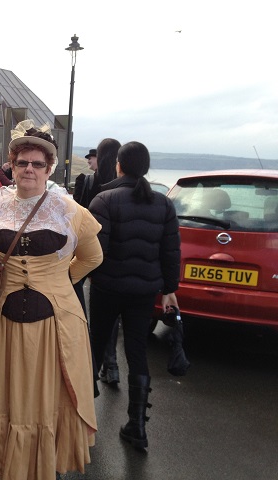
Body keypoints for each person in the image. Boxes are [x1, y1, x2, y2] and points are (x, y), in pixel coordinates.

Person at [0, 120, 104, 480]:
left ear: (49, 168)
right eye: (22, 162)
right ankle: (8, 466)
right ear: (12, 164)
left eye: (37, 164)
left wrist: (58, 281)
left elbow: (92, 257)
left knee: (46, 399)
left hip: (53, 325)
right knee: (6, 395)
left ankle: (42, 467)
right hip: (3, 323)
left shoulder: (70, 211)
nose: (29, 169)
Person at [88, 141, 180, 451]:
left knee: (95, 346)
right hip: (144, 292)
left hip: (107, 288)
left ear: (118, 165)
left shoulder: (104, 200)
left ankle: (82, 420)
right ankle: (137, 426)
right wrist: (169, 290)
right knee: (137, 351)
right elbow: (170, 251)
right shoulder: (163, 205)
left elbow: (94, 253)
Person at [74, 138, 123, 386]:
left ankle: (88, 369)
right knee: (110, 316)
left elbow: (76, 217)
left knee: (87, 309)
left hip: (88, 251)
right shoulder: (125, 188)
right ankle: (111, 365)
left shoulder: (87, 182)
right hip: (114, 257)